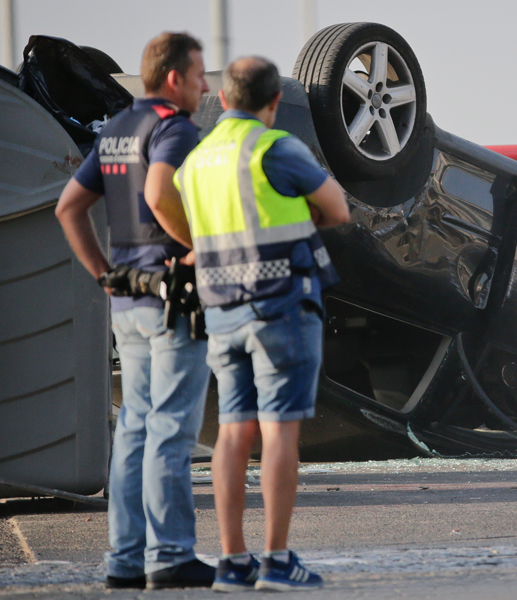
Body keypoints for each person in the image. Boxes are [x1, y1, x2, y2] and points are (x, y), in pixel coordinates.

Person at [166, 56, 349, 592]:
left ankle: (232, 562)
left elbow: (186, 223)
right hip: (282, 305)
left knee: (232, 432)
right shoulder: (275, 147)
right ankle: (276, 559)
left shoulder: (196, 162)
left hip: (222, 309)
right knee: (278, 430)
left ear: (221, 100)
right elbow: (337, 207)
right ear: (273, 104)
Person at [55, 33, 216, 588]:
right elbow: (159, 191)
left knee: (135, 431)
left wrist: (103, 273)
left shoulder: (118, 128)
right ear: (173, 77)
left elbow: (69, 207)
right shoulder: (174, 128)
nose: (204, 84)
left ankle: (125, 561)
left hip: (127, 296)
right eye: (198, 73)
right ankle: (171, 556)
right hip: (173, 297)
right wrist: (198, 245)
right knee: (171, 429)